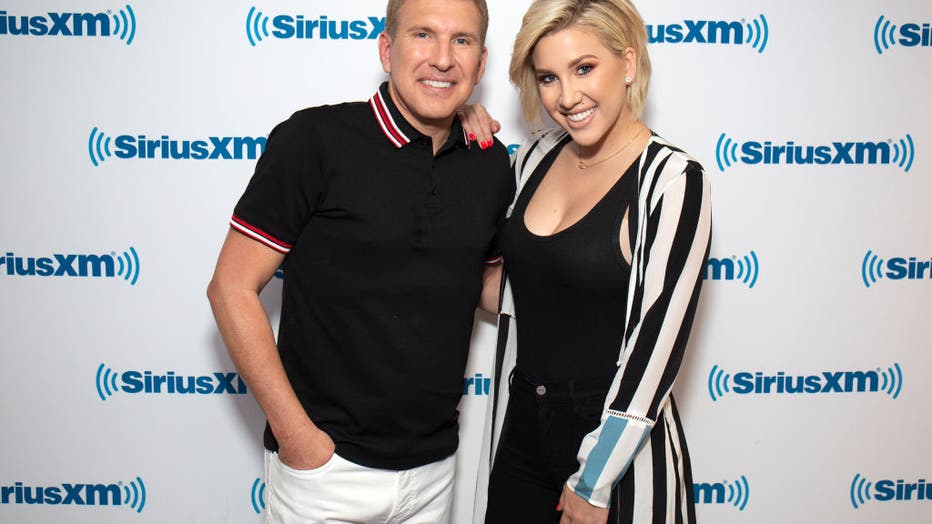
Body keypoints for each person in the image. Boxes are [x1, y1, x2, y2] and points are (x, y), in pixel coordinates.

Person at [206, 0, 514, 522]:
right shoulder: (314, 141)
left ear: (481, 63)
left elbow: (484, 281)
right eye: (423, 35)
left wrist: (578, 273)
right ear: (387, 48)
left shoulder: (489, 161)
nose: (442, 58)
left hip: (435, 471)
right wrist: (298, 439)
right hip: (326, 472)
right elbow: (230, 288)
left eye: (461, 41)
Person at [465, 1, 711, 522]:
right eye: (548, 77)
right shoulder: (533, 157)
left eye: (584, 68)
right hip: (522, 431)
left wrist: (594, 481)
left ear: (627, 63)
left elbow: (656, 346)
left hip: (613, 450)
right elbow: (507, 287)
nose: (567, 97)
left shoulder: (671, 180)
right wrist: (457, 128)